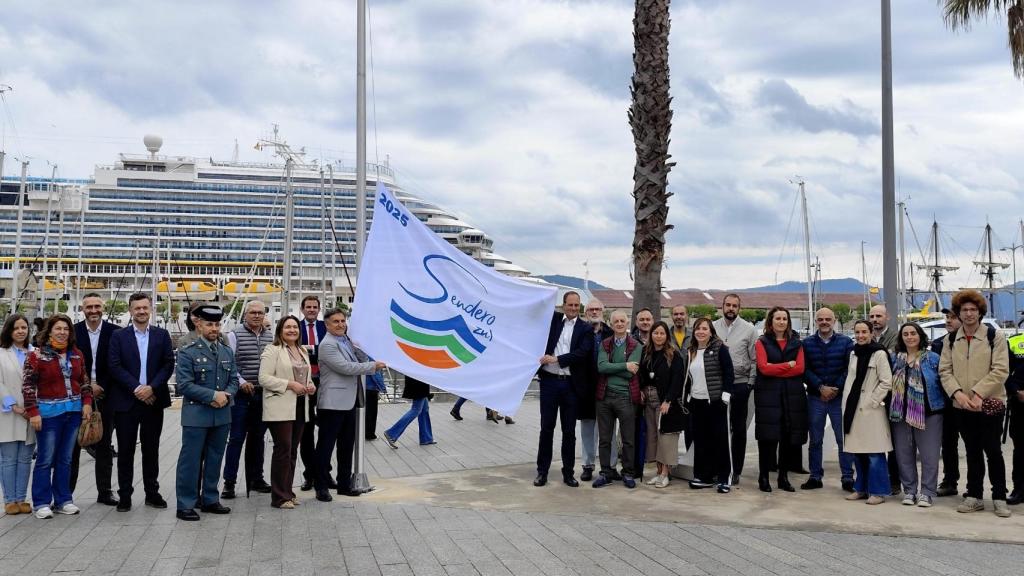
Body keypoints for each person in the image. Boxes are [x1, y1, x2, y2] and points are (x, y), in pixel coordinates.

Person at [939, 289, 1011, 518]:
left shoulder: (994, 336)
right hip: (963, 406)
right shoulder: (951, 339)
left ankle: (999, 496)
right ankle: (974, 495)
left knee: (993, 451)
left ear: (980, 312)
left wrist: (979, 393)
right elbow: (945, 371)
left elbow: (1000, 370)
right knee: (971, 451)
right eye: (964, 310)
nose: (969, 314)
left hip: (989, 404)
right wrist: (957, 394)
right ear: (958, 314)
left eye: (973, 310)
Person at [107, 293, 174, 511]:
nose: (141, 311)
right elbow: (114, 366)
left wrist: (151, 387)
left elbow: (168, 365)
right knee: (125, 450)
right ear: (130, 311)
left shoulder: (162, 335)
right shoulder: (119, 336)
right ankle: (124, 495)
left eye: (145, 307)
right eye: (137, 308)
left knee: (151, 449)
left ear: (151, 309)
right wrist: (137, 388)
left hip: (153, 400)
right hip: (127, 401)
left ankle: (152, 492)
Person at [22, 314, 93, 519]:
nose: (62, 332)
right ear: (49, 331)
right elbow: (28, 386)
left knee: (66, 459)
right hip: (48, 415)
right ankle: (41, 502)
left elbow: (84, 381)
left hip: (73, 413)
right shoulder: (36, 356)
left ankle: (64, 499)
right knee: (45, 459)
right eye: (58, 329)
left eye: (66, 329)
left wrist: (87, 403)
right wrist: (33, 412)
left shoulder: (77, 354)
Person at [314, 308, 386, 502]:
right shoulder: (327, 344)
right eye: (335, 322)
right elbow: (346, 368)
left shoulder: (346, 340)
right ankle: (320, 486)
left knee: (346, 446)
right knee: (325, 447)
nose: (340, 324)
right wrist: (373, 366)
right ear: (327, 325)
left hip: (350, 402)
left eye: (343, 321)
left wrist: (360, 345)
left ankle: (344, 484)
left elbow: (360, 358)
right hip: (332, 404)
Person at [174, 305, 237, 521]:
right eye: (209, 324)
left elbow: (234, 379)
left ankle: (210, 498)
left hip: (221, 414)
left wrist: (226, 395)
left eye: (217, 324)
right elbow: (183, 384)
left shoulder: (226, 350)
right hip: (196, 414)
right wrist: (212, 396)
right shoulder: (188, 351)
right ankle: (185, 504)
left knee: (215, 458)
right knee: (190, 461)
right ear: (198, 324)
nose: (214, 328)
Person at [535, 291, 593, 488]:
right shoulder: (554, 320)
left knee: (569, 431)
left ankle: (568, 473)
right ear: (564, 304)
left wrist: (558, 359)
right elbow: (538, 307)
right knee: (546, 429)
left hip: (570, 385)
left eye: (577, 306)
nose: (574, 309)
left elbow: (582, 353)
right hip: (550, 383)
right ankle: (542, 472)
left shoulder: (586, 328)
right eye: (570, 305)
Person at [259, 315, 314, 509]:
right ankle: (279, 497)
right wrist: (290, 384)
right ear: (280, 330)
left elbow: (305, 376)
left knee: (292, 451)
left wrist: (310, 385)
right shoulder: (272, 350)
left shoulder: (301, 350)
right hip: (280, 406)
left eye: (295, 327)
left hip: (300, 405)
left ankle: (288, 492)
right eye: (288, 327)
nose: (292, 330)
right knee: (282, 449)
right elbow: (263, 378)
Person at [69, 293, 119, 505]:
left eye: (97, 306)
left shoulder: (115, 332)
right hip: (77, 394)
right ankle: (66, 493)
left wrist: (102, 386)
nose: (93, 310)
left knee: (104, 443)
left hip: (107, 395)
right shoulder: (72, 332)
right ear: (83, 309)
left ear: (103, 308)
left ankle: (105, 491)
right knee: (72, 447)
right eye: (89, 307)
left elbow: (118, 363)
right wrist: (87, 387)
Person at [800, 307, 855, 492]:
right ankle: (815, 476)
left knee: (843, 440)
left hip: (839, 398)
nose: (824, 322)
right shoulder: (806, 343)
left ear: (834, 321)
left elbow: (850, 368)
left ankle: (848, 477)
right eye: (820, 319)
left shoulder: (846, 342)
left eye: (828, 319)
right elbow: (804, 369)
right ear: (816, 321)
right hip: (816, 397)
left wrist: (835, 389)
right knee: (815, 440)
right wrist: (820, 387)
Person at [889, 322, 944, 507]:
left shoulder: (933, 358)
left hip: (929, 413)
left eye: (913, 333)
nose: (910, 337)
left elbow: (943, 383)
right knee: (903, 455)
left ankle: (927, 492)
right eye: (906, 334)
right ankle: (910, 491)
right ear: (901, 338)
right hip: (900, 414)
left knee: (930, 456)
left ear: (920, 336)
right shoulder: (895, 358)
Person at [753, 306, 807, 493]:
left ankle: (783, 477)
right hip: (768, 395)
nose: (781, 322)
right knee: (767, 438)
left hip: (792, 396)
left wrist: (777, 368)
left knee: (787, 436)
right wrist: (787, 365)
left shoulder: (797, 343)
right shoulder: (761, 342)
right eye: (778, 318)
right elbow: (763, 368)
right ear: (771, 321)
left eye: (784, 318)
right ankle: (764, 477)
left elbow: (800, 368)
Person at [222, 300, 272, 499]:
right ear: (245, 314)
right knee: (236, 439)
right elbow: (229, 364)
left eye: (260, 312)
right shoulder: (234, 335)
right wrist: (241, 381)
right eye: (253, 312)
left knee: (258, 439)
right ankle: (229, 482)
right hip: (241, 395)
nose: (257, 316)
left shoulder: (270, 337)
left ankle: (256, 478)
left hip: (262, 394)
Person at [842, 320, 893, 505]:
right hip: (853, 408)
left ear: (871, 333)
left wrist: (872, 400)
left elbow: (887, 381)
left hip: (871, 410)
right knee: (858, 451)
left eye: (864, 332)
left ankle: (878, 492)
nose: (860, 335)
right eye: (857, 332)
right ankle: (861, 488)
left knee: (874, 453)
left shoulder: (879, 353)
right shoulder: (854, 353)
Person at [683, 318, 735, 492]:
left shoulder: (720, 348)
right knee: (701, 441)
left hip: (716, 402)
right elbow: (688, 378)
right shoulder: (691, 351)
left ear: (711, 331)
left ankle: (723, 478)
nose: (701, 332)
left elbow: (729, 373)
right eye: (698, 328)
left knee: (720, 441)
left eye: (705, 329)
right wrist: (688, 397)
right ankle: (704, 476)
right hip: (696, 403)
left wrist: (725, 398)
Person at [712, 294, 758, 485]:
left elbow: (755, 359)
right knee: (718, 428)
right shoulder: (713, 327)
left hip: (740, 384)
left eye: (734, 306)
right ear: (722, 306)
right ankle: (718, 468)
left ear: (739, 308)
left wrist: (750, 384)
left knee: (738, 429)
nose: (731, 308)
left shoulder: (749, 329)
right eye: (728, 305)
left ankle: (736, 470)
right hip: (717, 383)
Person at [593, 310, 642, 489]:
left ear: (627, 323)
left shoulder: (636, 346)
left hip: (626, 397)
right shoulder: (605, 344)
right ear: (611, 324)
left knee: (628, 438)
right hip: (604, 397)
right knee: (605, 439)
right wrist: (624, 365)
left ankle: (628, 473)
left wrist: (613, 367)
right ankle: (606, 472)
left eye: (622, 321)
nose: (620, 324)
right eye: (616, 321)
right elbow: (601, 367)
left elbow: (632, 372)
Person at [639, 321, 686, 489]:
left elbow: (677, 380)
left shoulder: (674, 355)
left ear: (667, 336)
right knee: (653, 437)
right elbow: (641, 374)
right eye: (655, 333)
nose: (658, 336)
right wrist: (641, 389)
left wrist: (668, 400)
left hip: (665, 402)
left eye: (662, 333)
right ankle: (658, 472)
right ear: (651, 334)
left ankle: (666, 473)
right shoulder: (646, 352)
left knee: (666, 437)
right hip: (649, 401)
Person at [0, 315, 35, 515]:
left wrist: (32, 407)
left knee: (25, 458)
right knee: (8, 458)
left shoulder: (35, 353)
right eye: (16, 328)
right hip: (8, 413)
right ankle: (9, 500)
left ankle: (22, 498)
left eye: (24, 327)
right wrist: (12, 405)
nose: (21, 331)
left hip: (31, 413)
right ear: (9, 331)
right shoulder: (2, 353)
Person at [580, 298, 614, 482]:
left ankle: (611, 465)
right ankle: (587, 464)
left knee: (608, 428)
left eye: (597, 309)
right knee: (587, 428)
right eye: (591, 309)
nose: (594, 312)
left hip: (607, 387)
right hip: (585, 387)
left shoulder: (610, 333)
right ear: (586, 313)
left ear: (603, 311)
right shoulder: (581, 331)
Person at [868, 303, 901, 496]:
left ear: (887, 317)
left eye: (878, 316)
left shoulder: (895, 337)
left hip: (891, 395)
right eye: (872, 316)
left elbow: (888, 359)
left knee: (894, 441)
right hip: (871, 395)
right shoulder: (866, 335)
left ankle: (895, 481)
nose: (874, 320)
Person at [932, 307, 963, 497]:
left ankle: (975, 487)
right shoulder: (938, 343)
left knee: (974, 445)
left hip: (970, 400)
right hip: (947, 401)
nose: (948, 321)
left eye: (953, 317)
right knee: (948, 444)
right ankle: (950, 481)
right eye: (947, 317)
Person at [298, 295, 326, 491]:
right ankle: (309, 475)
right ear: (302, 309)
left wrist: (311, 352)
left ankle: (325, 472)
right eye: (308, 307)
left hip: (324, 383)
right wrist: (314, 352)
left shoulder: (326, 327)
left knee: (327, 431)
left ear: (319, 309)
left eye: (315, 307)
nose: (311, 310)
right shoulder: (294, 327)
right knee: (306, 432)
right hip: (304, 385)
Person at [384, 376, 435, 448]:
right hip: (419, 383)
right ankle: (391, 433)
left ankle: (426, 438)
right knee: (416, 410)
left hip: (418, 383)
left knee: (424, 409)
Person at [1006, 329, 1024, 506]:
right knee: (1020, 450)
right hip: (1020, 404)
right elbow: (1004, 372)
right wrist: (1016, 392)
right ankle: (1019, 489)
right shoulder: (1014, 342)